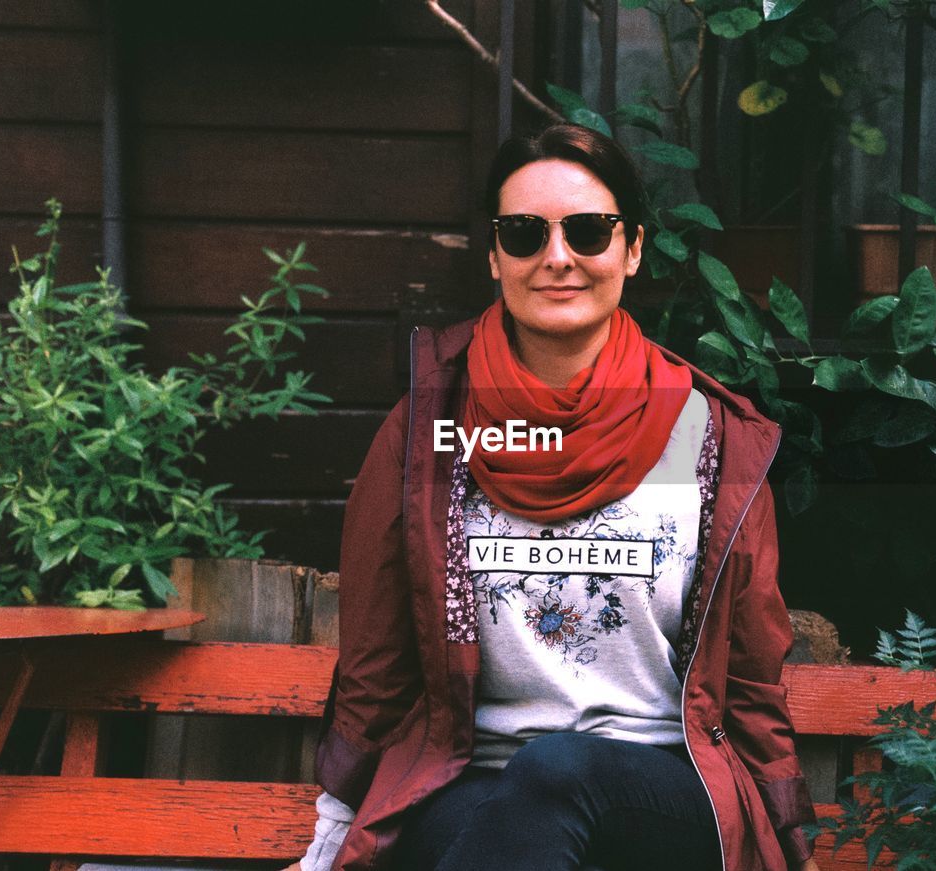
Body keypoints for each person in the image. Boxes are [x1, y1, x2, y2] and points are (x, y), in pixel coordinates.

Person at [292, 124, 819, 871]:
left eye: (588, 231)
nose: (558, 256)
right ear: (495, 256)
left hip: (666, 785)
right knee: (517, 811)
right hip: (472, 778)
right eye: (524, 233)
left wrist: (787, 837)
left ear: (632, 248)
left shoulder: (712, 435)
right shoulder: (434, 427)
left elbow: (752, 673)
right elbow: (377, 658)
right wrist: (330, 838)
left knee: (559, 771)